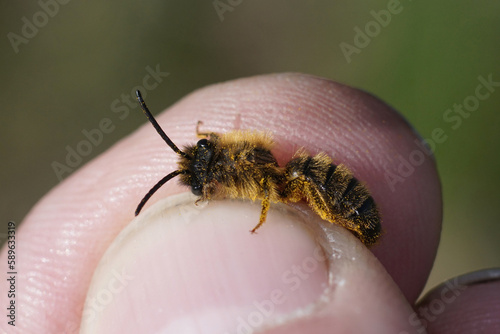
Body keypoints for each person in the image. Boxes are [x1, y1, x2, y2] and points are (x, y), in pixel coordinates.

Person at [2, 74, 498, 333]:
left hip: (316, 192)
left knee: (303, 177)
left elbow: (258, 171)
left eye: (201, 175)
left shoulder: (246, 169)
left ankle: (344, 216)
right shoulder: (232, 159)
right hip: (291, 185)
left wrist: (265, 214)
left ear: (215, 167)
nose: (199, 184)